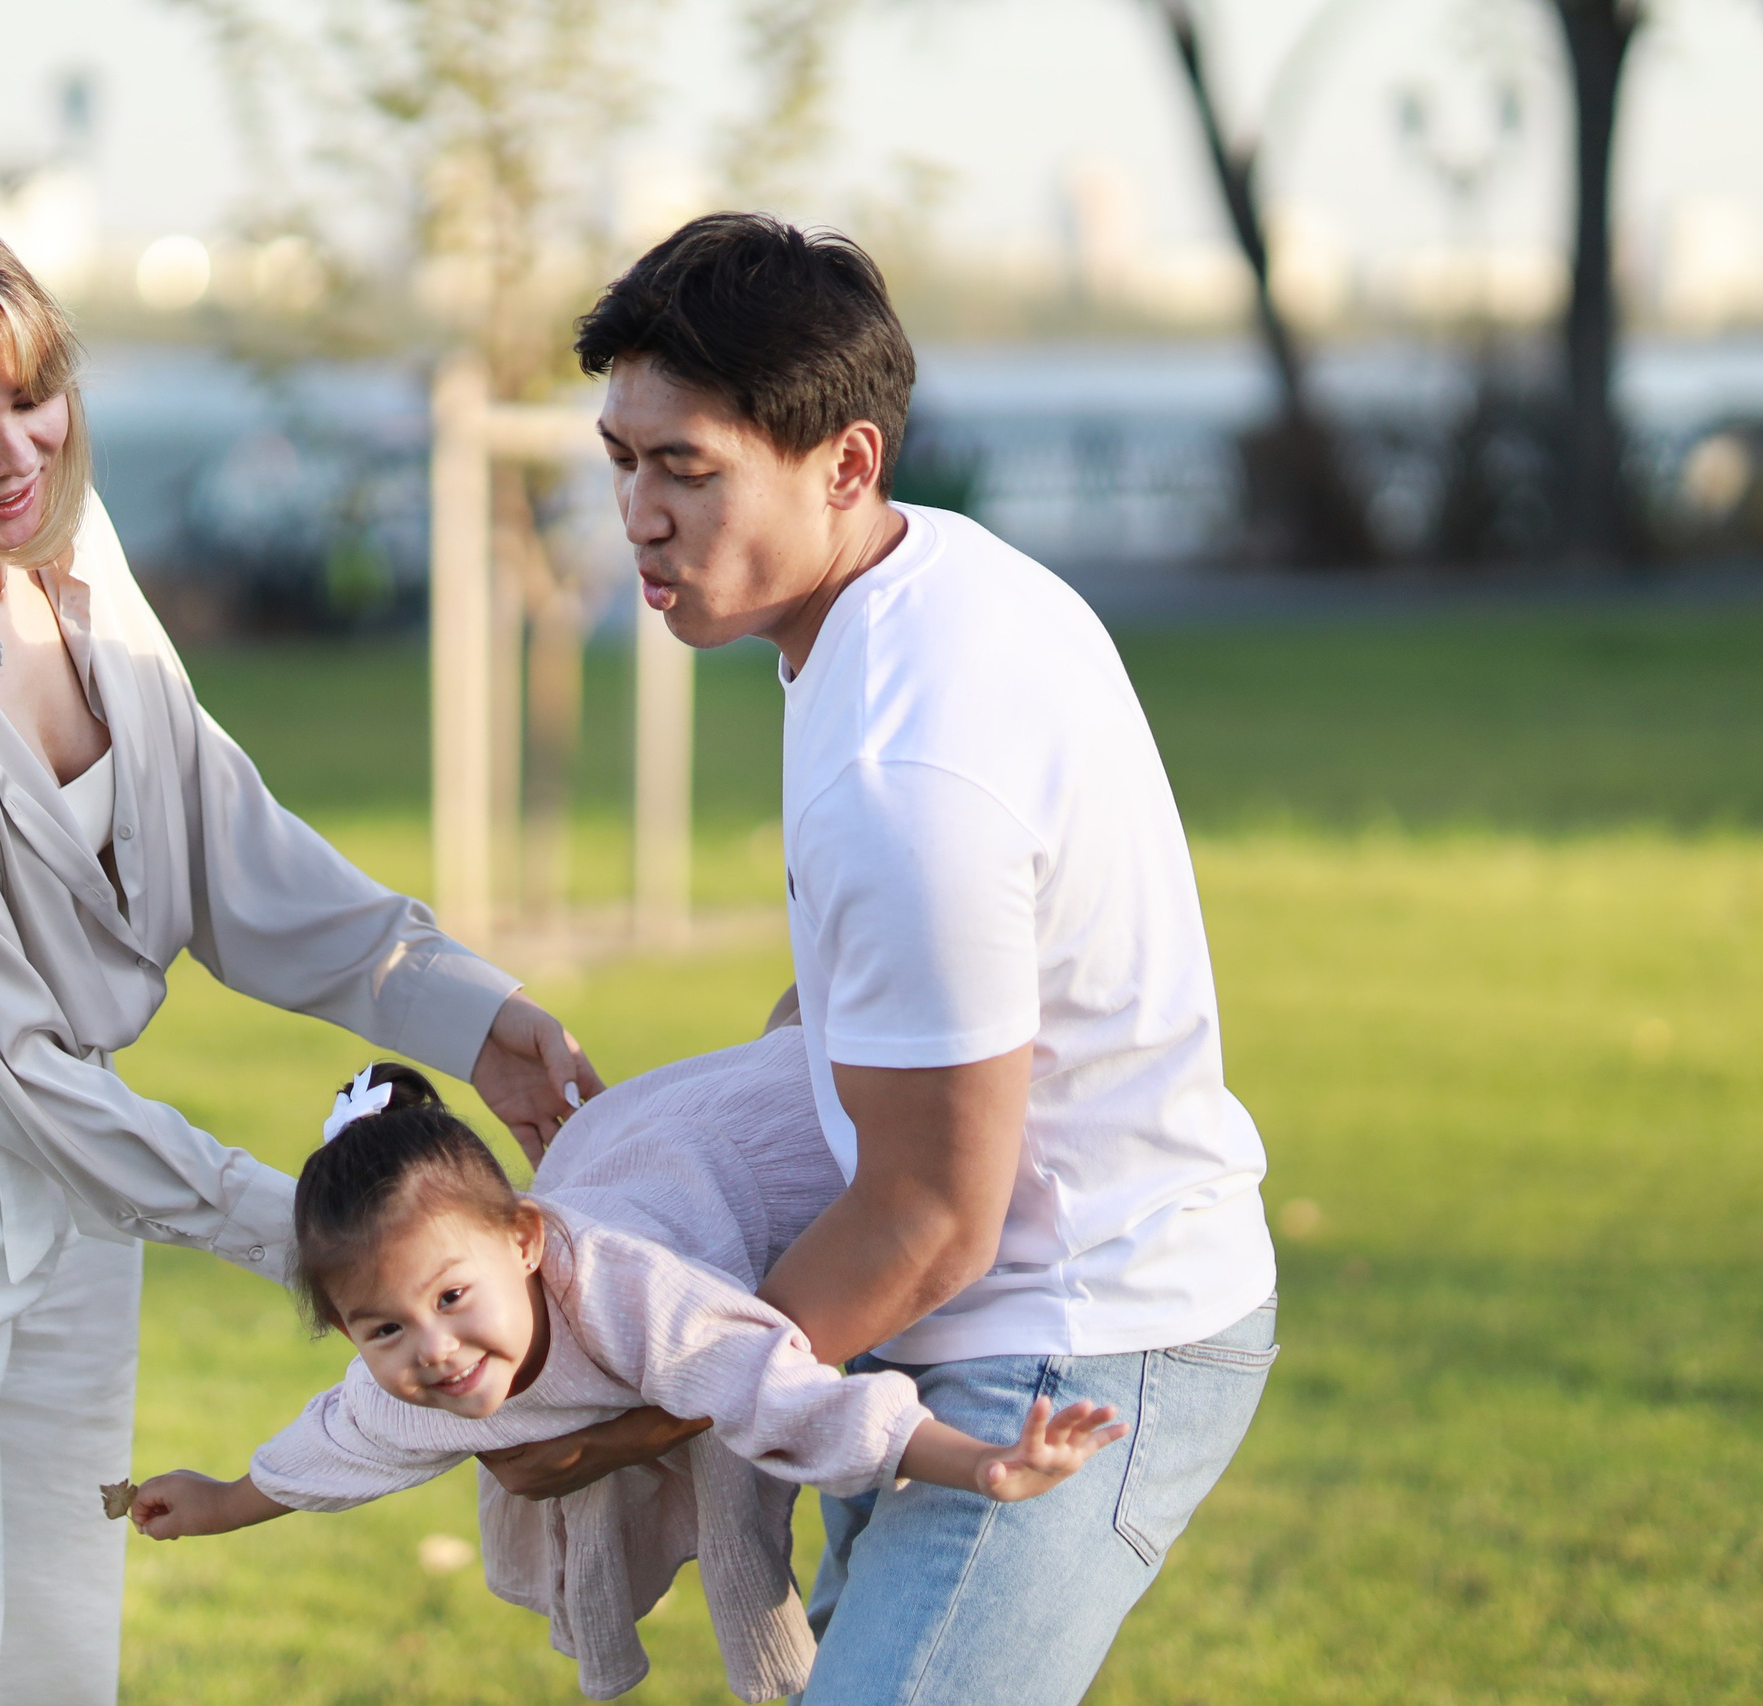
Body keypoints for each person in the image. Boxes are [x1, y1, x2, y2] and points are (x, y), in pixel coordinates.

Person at [0, 192, 598, 1706]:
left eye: (34, 396)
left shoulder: (65, 553)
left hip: (73, 1218)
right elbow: (19, 1083)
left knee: (55, 1665)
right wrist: (318, 1233)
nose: (19, 455)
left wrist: (470, 1011)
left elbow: (222, 841)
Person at [480, 212, 1281, 1705]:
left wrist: (650, 1403)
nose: (637, 516)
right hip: (961, 1329)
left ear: (846, 462)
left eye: (687, 468)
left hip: (1073, 1343)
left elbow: (925, 1216)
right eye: (623, 460)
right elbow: (862, 1013)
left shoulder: (908, 767)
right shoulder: (913, 591)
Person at [127, 1062, 1125, 1702]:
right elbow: (331, 1444)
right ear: (347, 1329)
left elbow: (785, 1393)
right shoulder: (400, 1380)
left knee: (824, 1057)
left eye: (451, 1295)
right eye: (384, 1326)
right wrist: (217, 1501)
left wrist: (985, 1462)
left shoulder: (634, 1297)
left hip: (751, 1144)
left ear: (524, 1240)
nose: (430, 1346)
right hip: (632, 1159)